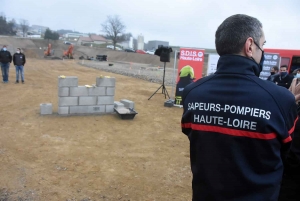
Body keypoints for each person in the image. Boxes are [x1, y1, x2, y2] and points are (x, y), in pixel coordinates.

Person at [181, 14, 298, 201]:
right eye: (263, 44)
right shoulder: (281, 100)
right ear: (250, 46)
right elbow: (290, 156)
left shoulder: (192, 93)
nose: (263, 51)